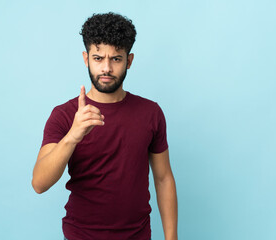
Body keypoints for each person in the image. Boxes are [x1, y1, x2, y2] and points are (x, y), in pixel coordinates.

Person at [32, 12, 178, 240]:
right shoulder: (64, 115)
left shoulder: (151, 113)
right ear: (86, 58)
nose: (106, 68)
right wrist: (73, 135)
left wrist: (171, 238)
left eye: (116, 59)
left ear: (129, 61)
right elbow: (39, 183)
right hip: (81, 235)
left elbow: (163, 178)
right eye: (98, 58)